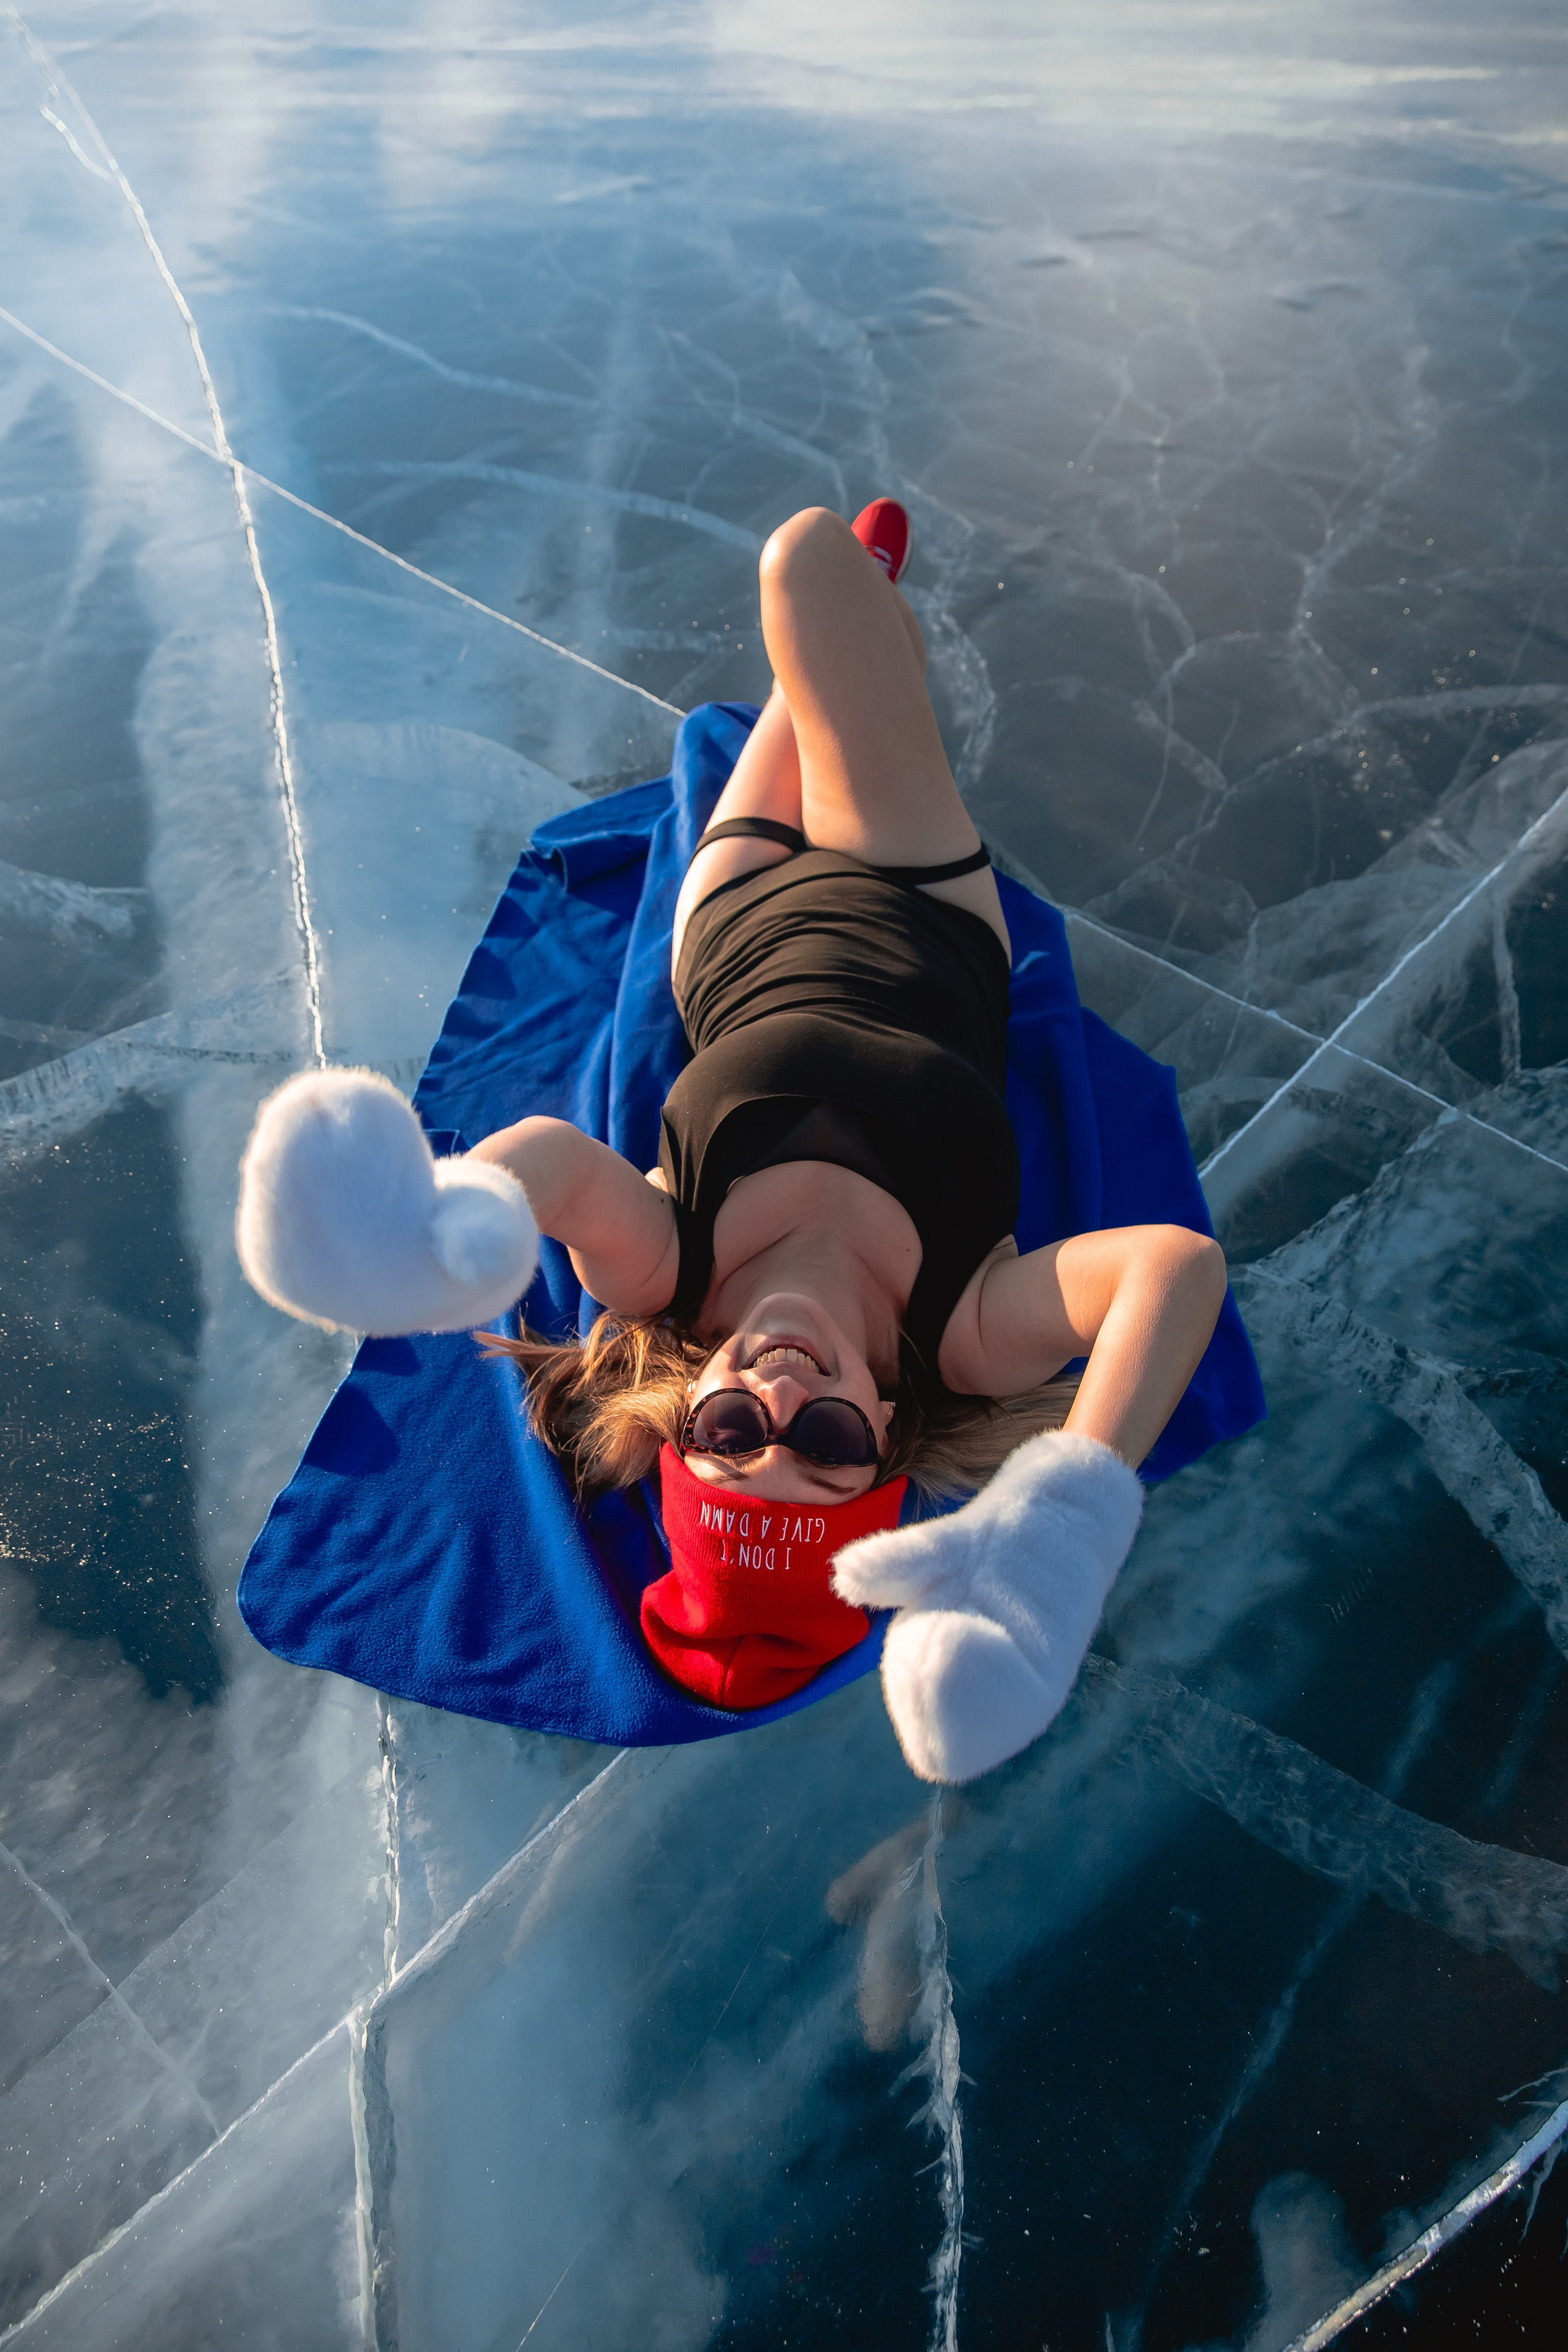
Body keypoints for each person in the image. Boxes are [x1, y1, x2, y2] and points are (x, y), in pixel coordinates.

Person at [236, 501, 1228, 1783]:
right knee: (812, 566)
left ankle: (851, 635)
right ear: (880, 1427)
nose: (779, 1403)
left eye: (728, 1442)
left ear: (683, 1416)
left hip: (732, 915)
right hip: (917, 899)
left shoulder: (662, 1276)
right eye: (821, 1449)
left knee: (812, 659)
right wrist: (1070, 1513)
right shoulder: (966, 1329)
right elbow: (1170, 1274)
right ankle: (859, 615)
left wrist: (459, 1228)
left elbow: (549, 1161)